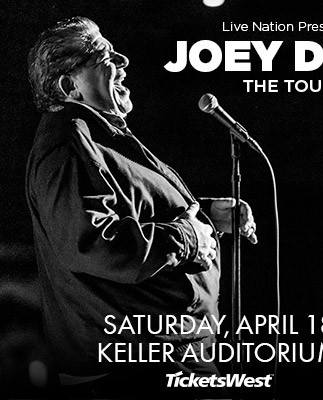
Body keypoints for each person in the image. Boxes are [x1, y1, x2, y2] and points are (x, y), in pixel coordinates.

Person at [26, 16, 257, 399]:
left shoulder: (98, 138)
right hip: (135, 373)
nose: (123, 61)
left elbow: (133, 208)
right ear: (70, 86)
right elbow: (93, 243)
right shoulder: (66, 144)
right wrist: (188, 237)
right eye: (103, 55)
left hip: (164, 361)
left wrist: (205, 215)